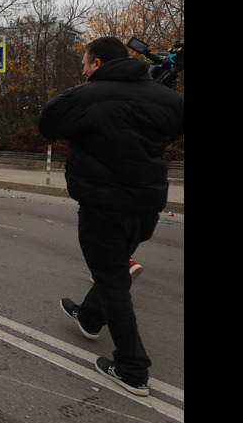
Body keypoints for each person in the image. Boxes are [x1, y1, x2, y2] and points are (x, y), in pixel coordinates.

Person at [38, 36, 183, 397]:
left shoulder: (89, 95)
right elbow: (174, 129)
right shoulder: (167, 98)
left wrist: (85, 92)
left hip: (103, 206)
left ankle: (133, 368)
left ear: (98, 64)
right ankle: (89, 316)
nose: (83, 69)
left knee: (113, 280)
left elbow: (48, 123)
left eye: (86, 64)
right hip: (146, 206)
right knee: (113, 269)